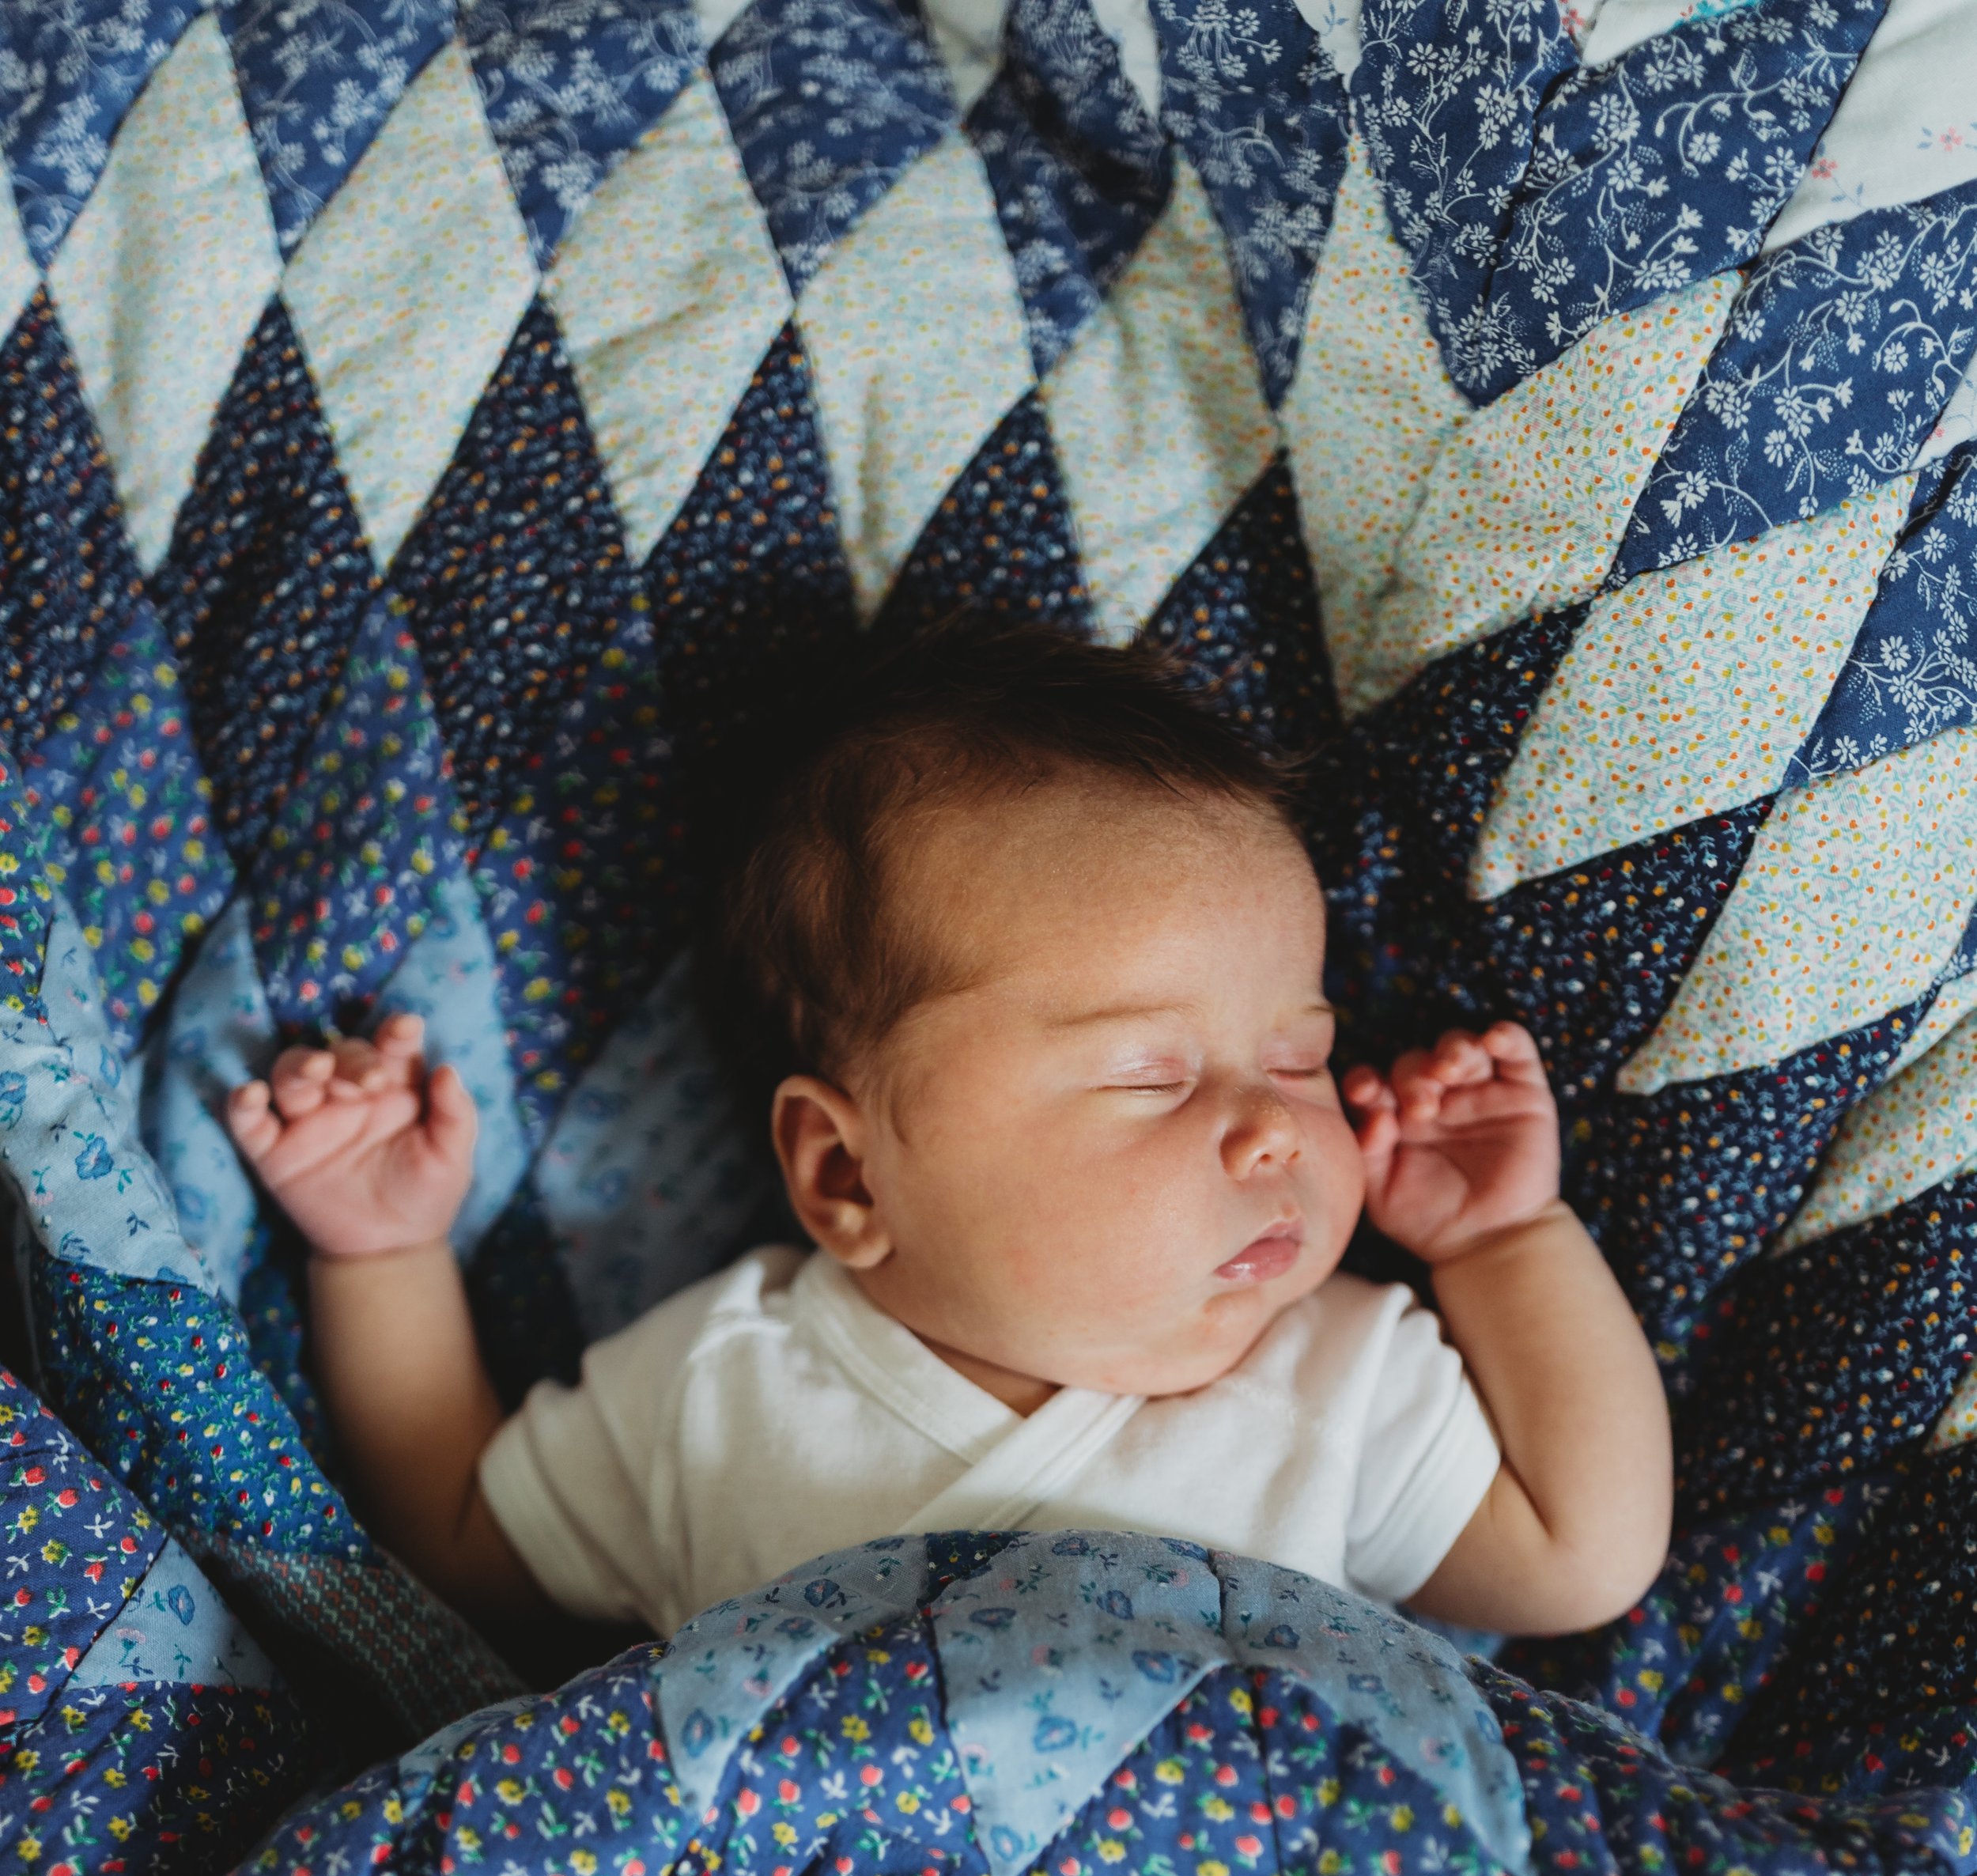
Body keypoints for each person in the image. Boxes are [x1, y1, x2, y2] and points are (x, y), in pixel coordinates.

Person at [225, 624, 1671, 1645]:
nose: (1273, 1131)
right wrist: (383, 1251)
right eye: (1154, 1076)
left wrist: (1502, 1243)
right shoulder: (725, 1389)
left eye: (1300, 1055)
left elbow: (1582, 1556)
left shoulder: (1340, 1379)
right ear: (848, 1173)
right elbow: (466, 1545)